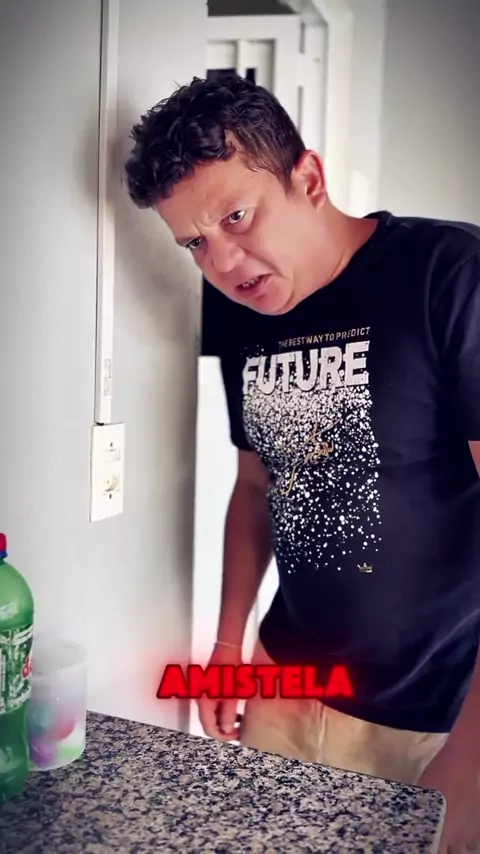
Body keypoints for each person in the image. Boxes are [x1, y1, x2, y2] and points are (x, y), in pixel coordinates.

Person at [124, 75, 480, 852]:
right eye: (194, 243)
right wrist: (228, 648)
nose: (223, 261)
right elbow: (256, 486)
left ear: (308, 178)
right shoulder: (240, 313)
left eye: (236, 216)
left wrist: (473, 756)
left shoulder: (449, 274)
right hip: (284, 681)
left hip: (428, 715)